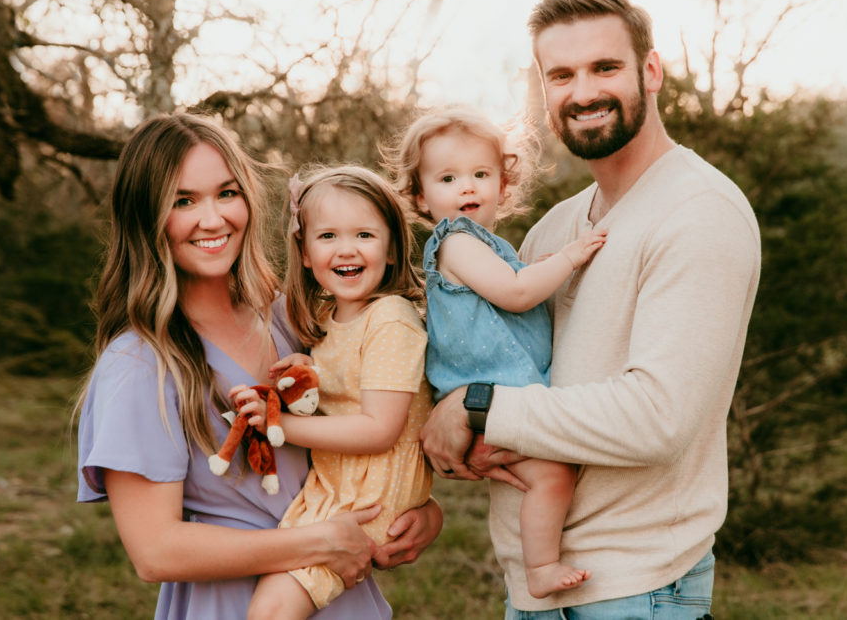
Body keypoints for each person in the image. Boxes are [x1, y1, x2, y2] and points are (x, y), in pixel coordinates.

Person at [420, 0, 761, 619]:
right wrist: (454, 415)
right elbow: (506, 368)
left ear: (650, 72)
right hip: (531, 588)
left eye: (605, 67)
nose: (582, 93)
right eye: (562, 75)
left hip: (637, 591)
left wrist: (475, 408)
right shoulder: (553, 230)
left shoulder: (699, 214)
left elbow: (657, 417)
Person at [75, 113, 442, 620]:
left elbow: (367, 434)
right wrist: (319, 543)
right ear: (147, 217)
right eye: (183, 201)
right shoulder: (139, 364)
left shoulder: (290, 319)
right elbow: (155, 551)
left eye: (227, 193)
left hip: (341, 598)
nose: (213, 218)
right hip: (235, 605)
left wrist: (422, 513)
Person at [385, 106, 605, 598]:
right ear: (420, 196)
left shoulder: (489, 246)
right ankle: (541, 567)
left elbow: (515, 293)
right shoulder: (457, 242)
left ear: (503, 185)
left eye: (480, 174)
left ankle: (539, 562)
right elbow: (518, 294)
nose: (468, 187)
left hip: (499, 393)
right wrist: (568, 258)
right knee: (553, 473)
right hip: (488, 394)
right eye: (448, 178)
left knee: (550, 470)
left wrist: (535, 268)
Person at [241, 165, 434, 620]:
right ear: (304, 253)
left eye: (364, 235)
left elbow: (379, 429)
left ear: (391, 250)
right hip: (336, 486)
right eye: (327, 236)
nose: (346, 249)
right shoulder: (328, 319)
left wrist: (281, 426)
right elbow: (347, 384)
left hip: (368, 498)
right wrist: (309, 371)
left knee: (269, 611)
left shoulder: (390, 318)